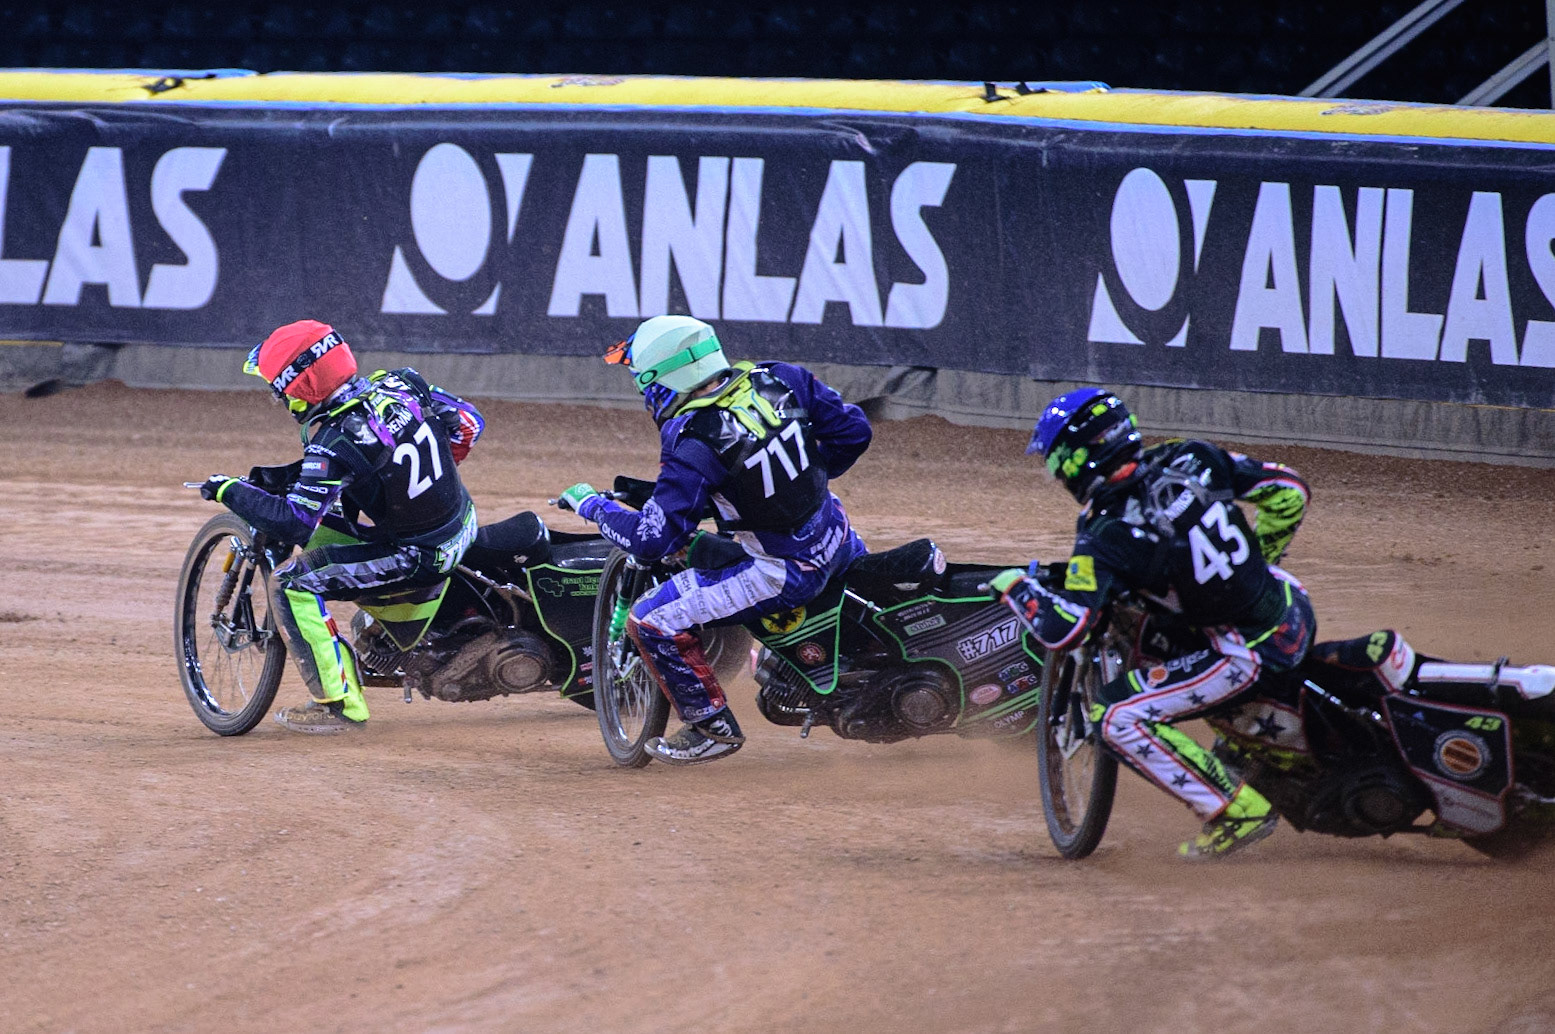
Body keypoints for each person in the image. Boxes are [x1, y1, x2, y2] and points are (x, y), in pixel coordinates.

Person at [990, 388, 1313, 859]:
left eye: (1057, 459)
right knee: (1160, 634)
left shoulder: (1107, 534)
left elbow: (1070, 629)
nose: (1056, 472)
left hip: (1245, 651)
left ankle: (1235, 809)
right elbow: (1289, 492)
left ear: (1082, 456)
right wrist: (1253, 569)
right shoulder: (1190, 455)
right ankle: (1247, 740)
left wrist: (1014, 587)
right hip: (1290, 605)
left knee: (1118, 716)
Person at [557, 315, 872, 765]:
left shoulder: (695, 439)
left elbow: (651, 542)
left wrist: (593, 508)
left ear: (664, 380)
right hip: (835, 532)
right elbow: (854, 433)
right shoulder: (778, 377)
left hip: (783, 570)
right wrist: (802, 482)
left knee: (650, 619)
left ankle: (710, 726)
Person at [199, 319, 484, 733]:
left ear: (298, 387)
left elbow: (294, 523)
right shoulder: (400, 382)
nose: (276, 395)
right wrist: (422, 484)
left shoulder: (334, 442)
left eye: (277, 386)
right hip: (465, 521)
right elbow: (469, 423)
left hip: (420, 554)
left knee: (290, 583)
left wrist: (229, 491)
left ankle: (340, 704)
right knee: (339, 527)